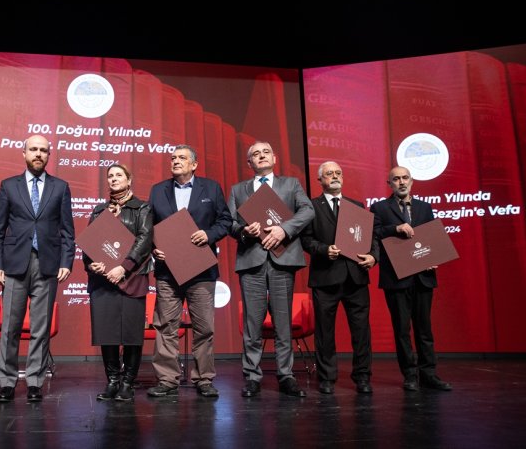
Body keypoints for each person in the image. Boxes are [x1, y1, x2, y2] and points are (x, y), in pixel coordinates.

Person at [0, 135, 76, 403]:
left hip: (47, 264)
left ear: (49, 155)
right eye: (33, 149)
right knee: (10, 327)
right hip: (14, 264)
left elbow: (67, 231)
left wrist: (66, 261)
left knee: (40, 326)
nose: (38, 154)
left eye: (43, 150)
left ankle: (36, 381)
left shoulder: (60, 187)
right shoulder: (9, 186)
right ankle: (7, 381)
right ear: (23, 152)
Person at [228, 141, 314, 398]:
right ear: (249, 163)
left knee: (282, 322)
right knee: (252, 323)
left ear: (274, 158)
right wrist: (243, 231)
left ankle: (286, 375)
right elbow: (230, 222)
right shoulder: (238, 189)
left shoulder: (291, 184)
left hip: (282, 258)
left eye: (266, 152)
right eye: (255, 154)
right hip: (251, 259)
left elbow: (308, 210)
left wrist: (283, 229)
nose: (261, 156)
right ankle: (252, 376)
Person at [147, 144, 232, 398]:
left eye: (182, 158)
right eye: (173, 158)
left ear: (194, 164)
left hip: (201, 270)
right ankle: (167, 379)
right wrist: (153, 248)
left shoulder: (211, 187)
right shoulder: (158, 190)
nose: (175, 161)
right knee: (165, 327)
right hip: (166, 271)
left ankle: (204, 379)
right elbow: (148, 226)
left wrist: (208, 234)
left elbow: (225, 221)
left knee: (204, 327)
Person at [370, 166, 452, 391]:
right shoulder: (379, 207)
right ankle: (409, 375)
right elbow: (372, 233)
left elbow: (432, 236)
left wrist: (435, 256)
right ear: (389, 184)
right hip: (396, 278)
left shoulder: (425, 207)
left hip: (423, 276)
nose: (401, 182)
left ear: (412, 181)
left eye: (405, 178)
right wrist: (396, 228)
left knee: (424, 328)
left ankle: (429, 373)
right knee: (402, 329)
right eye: (396, 179)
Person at [301, 161, 377, 395]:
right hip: (325, 277)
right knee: (325, 332)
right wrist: (324, 250)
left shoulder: (357, 206)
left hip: (356, 277)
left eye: (338, 173)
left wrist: (373, 257)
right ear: (320, 180)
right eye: (329, 174)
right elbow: (305, 239)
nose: (334, 177)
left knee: (361, 331)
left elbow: (370, 237)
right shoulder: (311, 206)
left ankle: (362, 377)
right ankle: (326, 377)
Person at [84, 164, 153, 402]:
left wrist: (123, 267)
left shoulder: (142, 207)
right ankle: (112, 381)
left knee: (132, 334)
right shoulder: (99, 210)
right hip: (103, 281)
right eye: (110, 176)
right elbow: (90, 243)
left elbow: (144, 240)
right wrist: (91, 264)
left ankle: (127, 383)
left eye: (118, 175)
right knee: (108, 333)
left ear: (129, 179)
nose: (114, 179)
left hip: (132, 277)